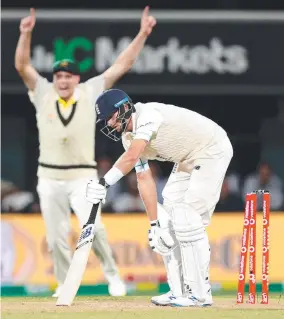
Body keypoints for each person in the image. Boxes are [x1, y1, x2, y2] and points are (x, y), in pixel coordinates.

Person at [15, 7, 156, 297]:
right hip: (49, 176)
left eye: (68, 76)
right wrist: (25, 33)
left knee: (97, 230)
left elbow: (121, 66)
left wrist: (142, 33)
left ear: (77, 79)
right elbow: (22, 67)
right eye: (58, 76)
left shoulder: (91, 90)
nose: (63, 80)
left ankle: (114, 277)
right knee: (55, 239)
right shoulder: (42, 92)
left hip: (82, 176)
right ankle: (67, 285)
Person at [86, 89, 233, 307]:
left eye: (110, 117)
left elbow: (132, 156)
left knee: (188, 217)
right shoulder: (129, 138)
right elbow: (145, 179)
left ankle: (200, 295)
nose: (109, 124)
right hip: (188, 157)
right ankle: (178, 291)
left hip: (212, 149)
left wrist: (104, 182)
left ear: (124, 108)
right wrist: (155, 224)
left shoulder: (148, 115)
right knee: (169, 211)